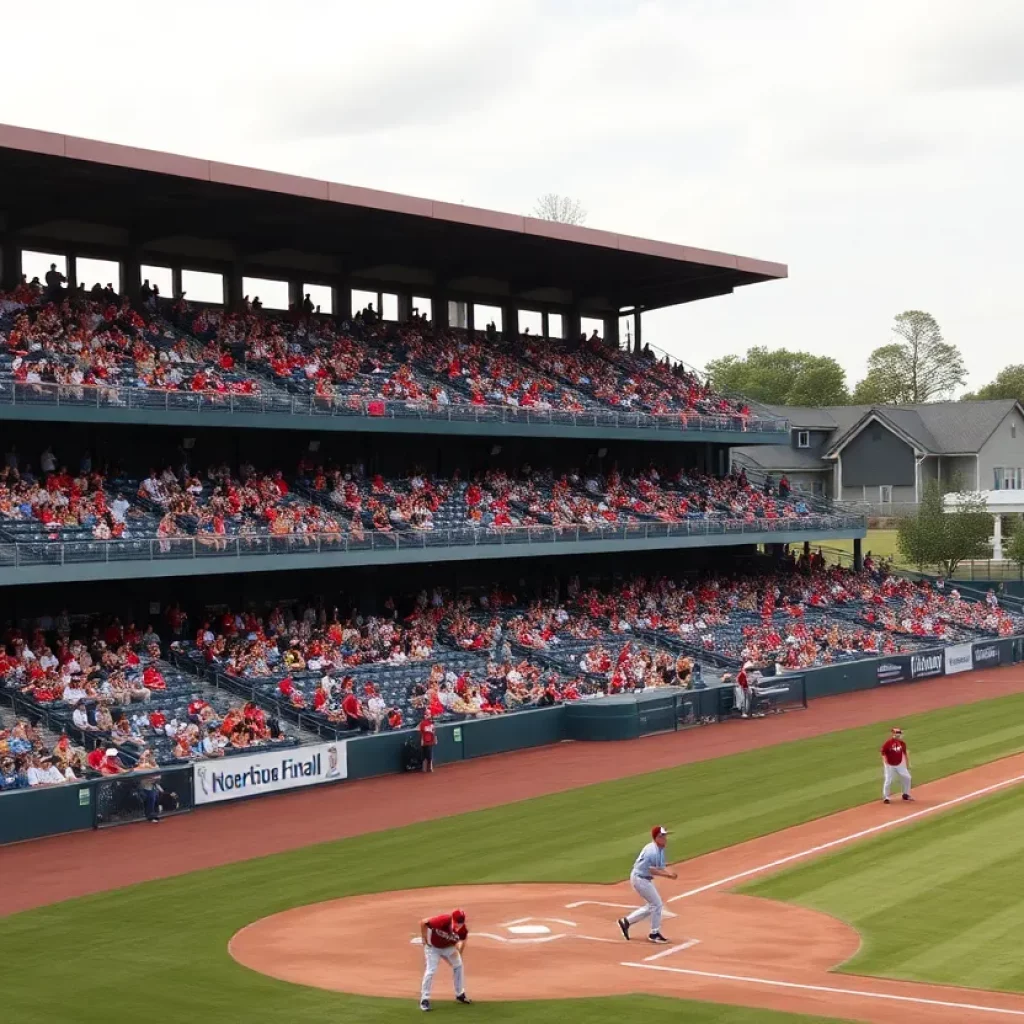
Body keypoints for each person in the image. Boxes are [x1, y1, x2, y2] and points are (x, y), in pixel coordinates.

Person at [617, 825, 676, 944]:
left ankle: (626, 922)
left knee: (653, 905)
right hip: (640, 879)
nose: (665, 838)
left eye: (665, 836)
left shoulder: (659, 848)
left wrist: (668, 869)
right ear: (657, 838)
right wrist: (668, 875)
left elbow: (660, 865)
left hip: (642, 878)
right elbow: (652, 870)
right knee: (657, 904)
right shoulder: (652, 851)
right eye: (662, 836)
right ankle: (654, 934)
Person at [419, 907, 471, 1011]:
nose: (459, 925)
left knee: (458, 965)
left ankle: (460, 994)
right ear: (452, 919)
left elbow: (463, 941)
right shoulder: (442, 920)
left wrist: (459, 954)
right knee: (431, 970)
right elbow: (423, 922)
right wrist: (424, 938)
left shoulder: (463, 930)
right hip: (433, 948)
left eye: (461, 923)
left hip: (448, 948)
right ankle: (424, 999)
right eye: (457, 922)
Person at [881, 726, 912, 804]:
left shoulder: (902, 743)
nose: (900, 736)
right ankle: (886, 797)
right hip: (889, 764)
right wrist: (885, 761)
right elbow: (883, 752)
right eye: (898, 734)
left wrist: (907, 764)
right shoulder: (888, 743)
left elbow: (905, 753)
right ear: (895, 735)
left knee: (908, 777)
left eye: (900, 734)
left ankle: (906, 794)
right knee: (888, 780)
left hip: (900, 763)